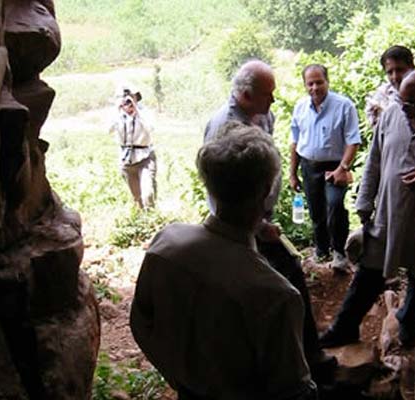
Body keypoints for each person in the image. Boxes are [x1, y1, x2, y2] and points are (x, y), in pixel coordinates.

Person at [130, 125, 317, 400]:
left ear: (209, 183)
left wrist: (179, 375)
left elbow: (140, 324)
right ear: (266, 190)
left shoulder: (166, 244)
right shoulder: (276, 295)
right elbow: (293, 390)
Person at [205, 60, 336, 380]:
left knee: (288, 276)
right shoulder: (223, 125)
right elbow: (216, 183)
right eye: (268, 94)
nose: (273, 101)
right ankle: (298, 362)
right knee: (283, 281)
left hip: (260, 219)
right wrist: (255, 226)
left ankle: (304, 355)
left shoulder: (262, 115)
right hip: (241, 227)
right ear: (246, 95)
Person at [319, 70, 415, 350]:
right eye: (401, 101)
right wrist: (364, 202)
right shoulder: (392, 116)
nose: (404, 108)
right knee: (368, 273)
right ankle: (345, 328)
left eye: (411, 103)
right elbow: (374, 161)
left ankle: (408, 326)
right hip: (387, 212)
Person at [289, 64, 361, 272]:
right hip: (309, 165)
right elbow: (294, 142)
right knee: (316, 209)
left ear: (327, 81)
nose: (315, 87)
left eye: (319, 82)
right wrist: (293, 173)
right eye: (310, 83)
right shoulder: (300, 107)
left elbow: (353, 140)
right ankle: (321, 250)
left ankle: (339, 252)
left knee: (335, 204)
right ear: (304, 85)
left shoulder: (344, 106)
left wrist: (343, 167)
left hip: (335, 166)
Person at [109, 86, 157, 208]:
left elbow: (151, 128)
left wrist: (137, 111)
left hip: (144, 158)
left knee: (148, 194)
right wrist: (117, 109)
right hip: (126, 159)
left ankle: (152, 218)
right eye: (125, 101)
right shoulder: (117, 115)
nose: (128, 104)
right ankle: (141, 221)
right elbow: (107, 130)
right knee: (137, 198)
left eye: (131, 99)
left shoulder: (144, 113)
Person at [364, 45, 415, 129]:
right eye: (390, 72)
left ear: (412, 68)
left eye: (400, 70)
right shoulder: (381, 96)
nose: (395, 77)